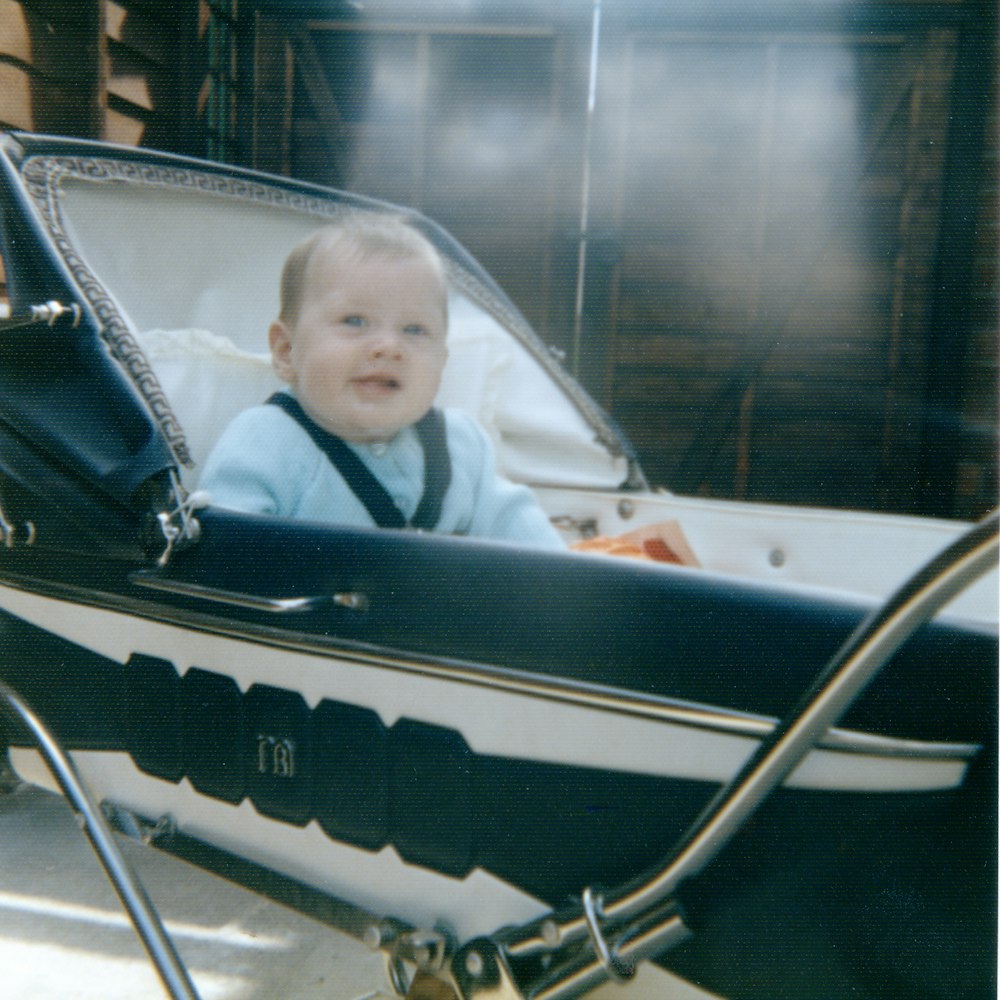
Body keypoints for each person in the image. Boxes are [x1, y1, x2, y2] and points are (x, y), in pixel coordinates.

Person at [200, 214, 565, 548]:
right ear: (286, 351)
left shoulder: (463, 446)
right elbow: (224, 555)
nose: (390, 347)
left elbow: (529, 541)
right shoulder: (265, 442)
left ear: (441, 361)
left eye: (414, 329)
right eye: (355, 321)